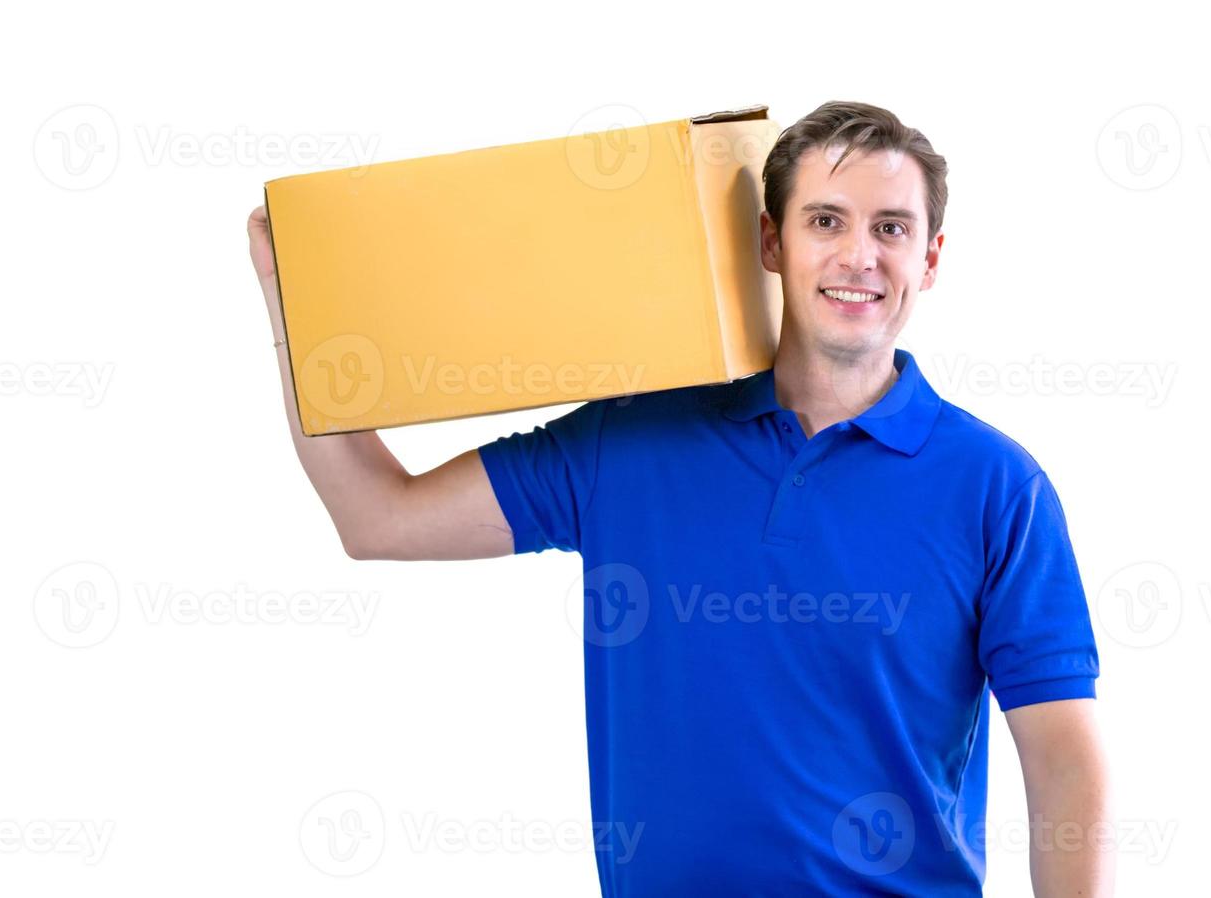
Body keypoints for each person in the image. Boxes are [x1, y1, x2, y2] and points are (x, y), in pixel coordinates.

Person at [248, 100, 1113, 896]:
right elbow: (376, 518)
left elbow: (1063, 762)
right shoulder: (628, 438)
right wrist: (299, 311)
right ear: (772, 243)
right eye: (826, 221)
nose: (859, 256)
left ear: (929, 258)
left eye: (891, 228)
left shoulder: (997, 487)